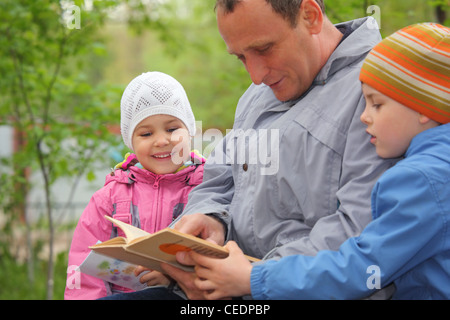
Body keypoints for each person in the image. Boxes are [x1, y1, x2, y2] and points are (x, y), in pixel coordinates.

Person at [102, 0, 398, 300]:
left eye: (264, 49)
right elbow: (217, 180)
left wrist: (252, 279)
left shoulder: (378, 93)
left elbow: (363, 234)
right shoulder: (257, 96)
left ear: (310, 16)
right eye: (241, 57)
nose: (255, 75)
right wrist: (212, 220)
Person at [189, 23, 450, 300]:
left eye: (377, 104)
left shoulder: (424, 180)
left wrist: (254, 279)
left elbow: (362, 268)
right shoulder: (433, 169)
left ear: (423, 107)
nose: (364, 115)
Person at [64, 71, 205, 299]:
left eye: (172, 129)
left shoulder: (207, 189)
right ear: (131, 141)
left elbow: (223, 256)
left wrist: (175, 277)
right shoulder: (109, 197)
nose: (161, 141)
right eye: (146, 133)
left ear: (189, 130)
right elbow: (84, 270)